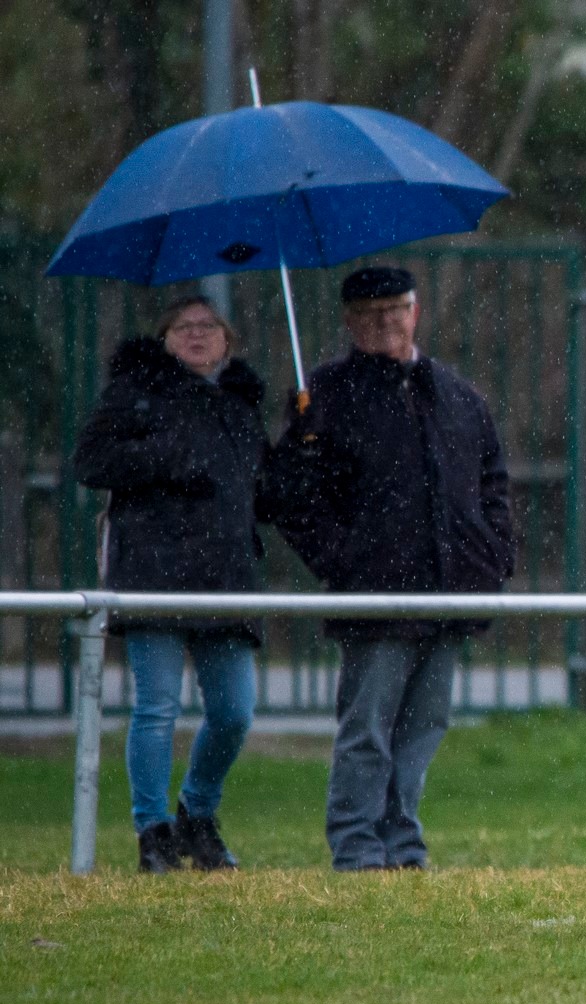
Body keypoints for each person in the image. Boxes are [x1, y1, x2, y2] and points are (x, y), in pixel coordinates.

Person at [267, 266, 515, 872]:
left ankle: (401, 840)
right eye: (371, 313)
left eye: (396, 309)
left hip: (449, 592)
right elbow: (291, 498)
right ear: (350, 322)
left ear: (416, 312)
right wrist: (342, 560)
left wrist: (493, 553)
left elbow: (493, 485)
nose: (386, 322)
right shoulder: (322, 396)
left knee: (425, 726)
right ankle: (355, 842)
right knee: (368, 729)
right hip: (373, 596)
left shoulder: (457, 395)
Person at [73, 296, 268, 873]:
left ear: (228, 338)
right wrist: (169, 453)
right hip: (153, 573)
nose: (198, 335)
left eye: (209, 325)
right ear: (165, 338)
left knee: (234, 712)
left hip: (228, 580)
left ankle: (197, 814)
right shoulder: (135, 393)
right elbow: (91, 463)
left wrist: (306, 448)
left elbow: (269, 491)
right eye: (184, 326)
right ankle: (151, 830)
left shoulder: (240, 407)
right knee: (157, 708)